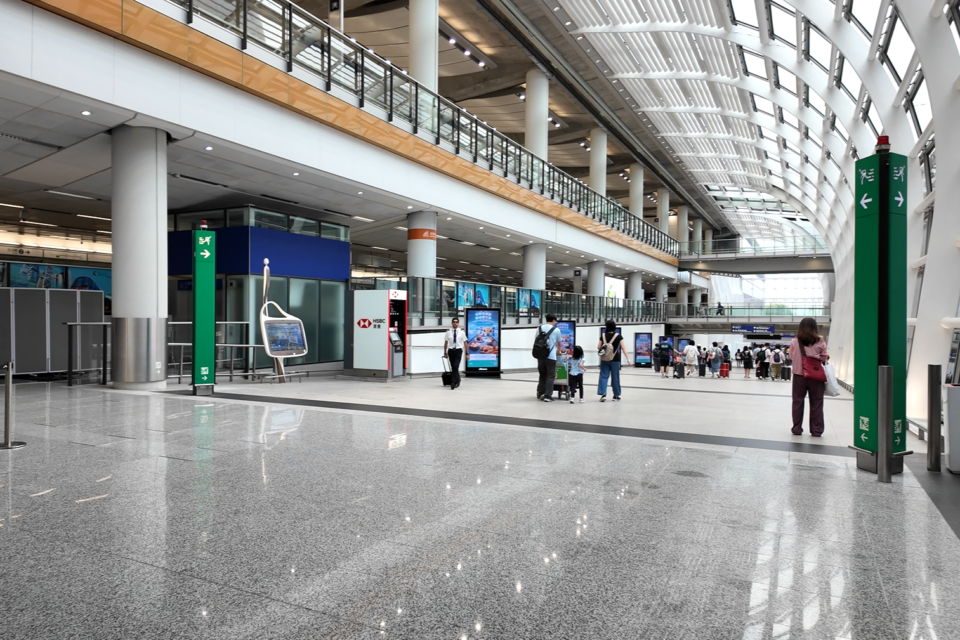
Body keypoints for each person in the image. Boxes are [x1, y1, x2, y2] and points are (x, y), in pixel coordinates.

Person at [791, 318, 830, 436]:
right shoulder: (820, 341)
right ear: (815, 327)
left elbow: (791, 356)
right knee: (817, 403)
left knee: (797, 402)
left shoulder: (794, 341)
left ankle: (797, 429)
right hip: (816, 376)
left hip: (799, 376)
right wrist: (817, 356)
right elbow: (824, 357)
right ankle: (816, 430)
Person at [597, 320, 631, 401]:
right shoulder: (618, 336)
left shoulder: (603, 335)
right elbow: (623, 347)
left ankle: (603, 394)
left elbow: (598, 347)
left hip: (604, 359)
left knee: (603, 376)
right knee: (615, 377)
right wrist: (628, 358)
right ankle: (616, 395)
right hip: (615, 360)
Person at [535, 314, 560, 402]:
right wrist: (558, 351)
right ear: (553, 320)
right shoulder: (556, 330)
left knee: (542, 375)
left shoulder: (539, 328)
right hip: (551, 356)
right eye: (555, 321)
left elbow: (536, 341)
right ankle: (548, 396)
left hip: (540, 356)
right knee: (550, 376)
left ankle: (540, 393)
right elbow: (559, 343)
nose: (555, 322)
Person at [442, 317, 467, 390]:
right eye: (454, 322)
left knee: (455, 366)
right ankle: (458, 379)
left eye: (456, 322)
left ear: (458, 323)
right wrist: (445, 352)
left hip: (458, 351)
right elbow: (446, 343)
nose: (455, 323)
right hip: (450, 351)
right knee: (453, 367)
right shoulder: (448, 332)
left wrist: (467, 353)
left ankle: (453, 382)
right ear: (452, 323)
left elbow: (465, 343)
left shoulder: (462, 332)